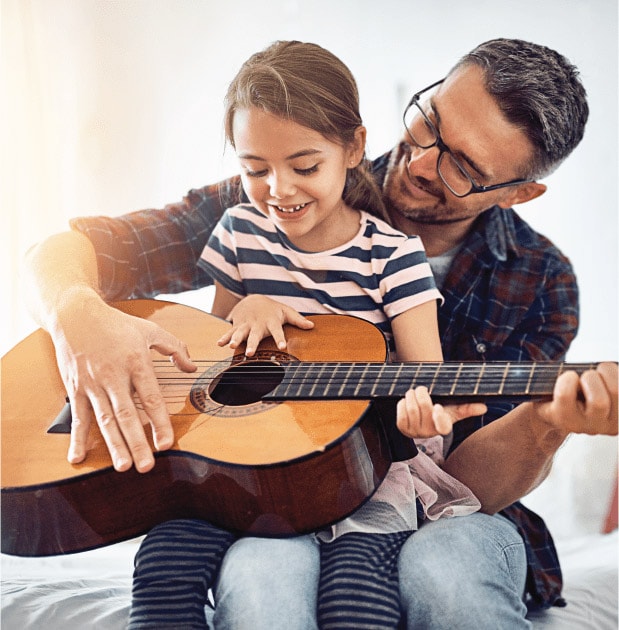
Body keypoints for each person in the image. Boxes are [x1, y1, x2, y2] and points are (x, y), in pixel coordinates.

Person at [22, 37, 617, 629]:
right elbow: (63, 251)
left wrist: (546, 422)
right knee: (257, 577)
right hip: (270, 504)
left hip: (437, 507)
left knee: (445, 572)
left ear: (517, 194)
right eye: (428, 121)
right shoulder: (283, 186)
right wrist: (79, 316)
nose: (420, 162)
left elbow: (467, 484)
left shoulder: (542, 281)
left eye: (462, 167)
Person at [131, 40, 484, 629]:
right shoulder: (241, 231)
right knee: (163, 568)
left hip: (361, 475)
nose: (279, 190)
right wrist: (245, 307)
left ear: (354, 149)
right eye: (255, 170)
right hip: (240, 463)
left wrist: (424, 417)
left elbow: (426, 382)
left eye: (304, 166)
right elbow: (209, 358)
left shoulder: (393, 257)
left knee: (357, 604)